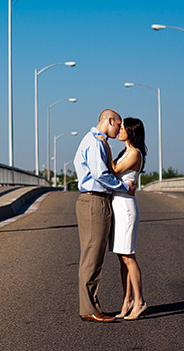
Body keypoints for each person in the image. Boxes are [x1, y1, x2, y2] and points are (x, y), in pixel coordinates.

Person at [73, 109, 135, 323]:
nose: (119, 130)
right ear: (110, 121)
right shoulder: (95, 142)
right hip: (94, 200)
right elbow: (100, 174)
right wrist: (124, 187)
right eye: (118, 125)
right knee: (92, 256)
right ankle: (89, 308)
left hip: (96, 200)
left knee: (94, 256)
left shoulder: (93, 140)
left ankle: (89, 306)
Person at [110, 117, 147, 320]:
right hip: (118, 207)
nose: (119, 130)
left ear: (131, 132)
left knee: (129, 257)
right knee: (121, 258)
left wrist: (103, 146)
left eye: (122, 128)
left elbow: (113, 170)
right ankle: (127, 300)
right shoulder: (125, 152)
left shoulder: (134, 154)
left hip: (126, 209)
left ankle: (139, 301)